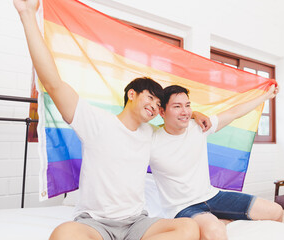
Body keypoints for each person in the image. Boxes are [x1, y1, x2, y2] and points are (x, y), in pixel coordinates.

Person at [14, 0, 200, 239]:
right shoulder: (95, 122)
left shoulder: (151, 135)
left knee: (188, 228)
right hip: (95, 224)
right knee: (62, 234)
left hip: (136, 223)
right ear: (132, 94)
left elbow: (178, 124)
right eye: (151, 98)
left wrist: (193, 113)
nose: (154, 106)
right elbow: (53, 83)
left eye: (158, 104)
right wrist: (27, 15)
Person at [150, 84, 283, 240]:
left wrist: (266, 96)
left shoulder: (199, 127)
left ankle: (223, 221)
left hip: (212, 196)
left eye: (187, 105)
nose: (185, 111)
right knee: (215, 231)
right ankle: (220, 222)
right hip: (183, 208)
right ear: (162, 111)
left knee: (276, 211)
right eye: (177, 106)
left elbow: (234, 113)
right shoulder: (151, 140)